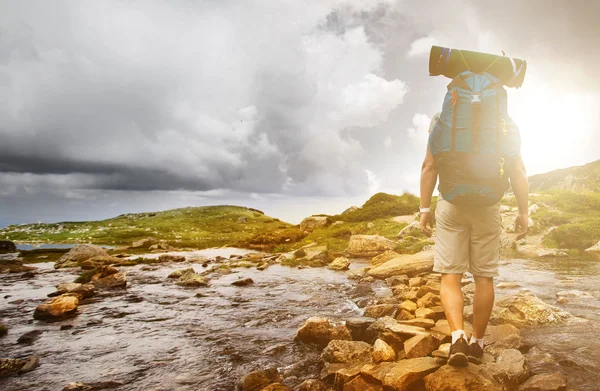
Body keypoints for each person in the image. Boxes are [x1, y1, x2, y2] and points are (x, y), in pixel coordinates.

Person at [419, 115, 529, 366]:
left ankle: (457, 338)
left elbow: (429, 165)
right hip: (488, 206)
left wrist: (424, 209)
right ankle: (477, 343)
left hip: (450, 203)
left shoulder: (443, 117)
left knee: (450, 275)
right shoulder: (504, 120)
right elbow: (517, 169)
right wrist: (523, 212)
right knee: (483, 276)